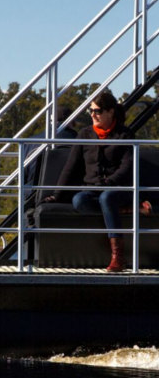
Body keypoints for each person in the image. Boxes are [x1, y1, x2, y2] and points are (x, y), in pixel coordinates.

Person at [42, 92, 140, 272]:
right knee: (79, 200)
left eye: (98, 111)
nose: (93, 114)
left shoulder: (125, 135)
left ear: (110, 112)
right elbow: (71, 167)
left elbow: (128, 166)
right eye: (91, 110)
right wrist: (56, 195)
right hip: (92, 189)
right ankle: (126, 210)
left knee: (107, 198)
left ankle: (118, 257)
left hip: (118, 189)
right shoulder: (84, 134)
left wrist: (110, 182)